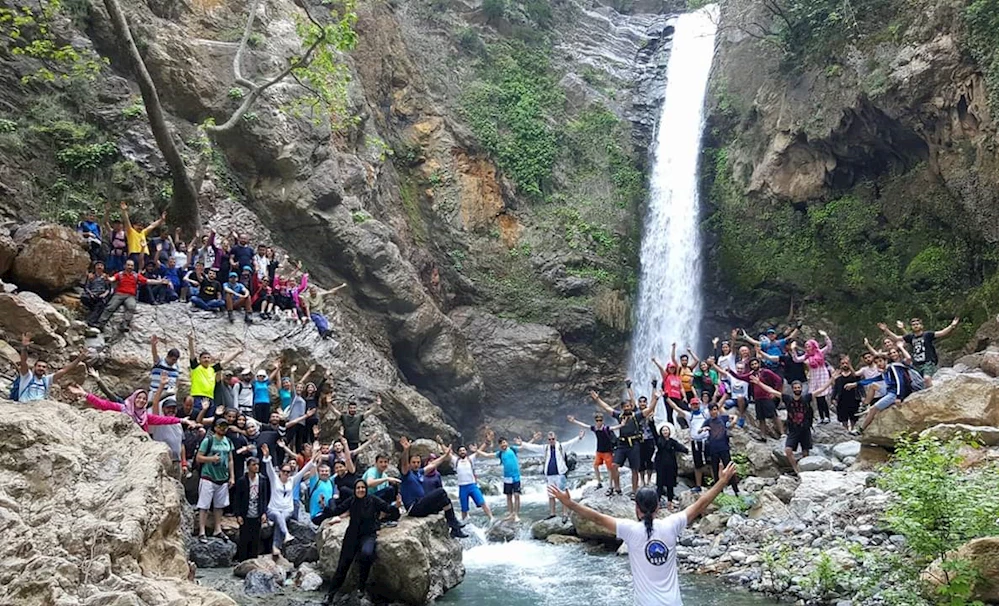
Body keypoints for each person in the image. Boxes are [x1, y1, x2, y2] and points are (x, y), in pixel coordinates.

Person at [549, 463, 740, 606]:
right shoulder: (671, 525)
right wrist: (722, 481)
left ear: (636, 508)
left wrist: (570, 504)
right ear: (658, 507)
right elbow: (700, 505)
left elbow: (598, 518)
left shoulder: (630, 530)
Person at [312, 479, 400, 601]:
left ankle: (361, 586)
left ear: (366, 489)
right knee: (343, 565)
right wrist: (324, 506)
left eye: (363, 487)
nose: (360, 490)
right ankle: (330, 594)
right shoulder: (351, 500)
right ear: (354, 490)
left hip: (368, 534)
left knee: (367, 553)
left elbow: (387, 508)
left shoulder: (373, 500)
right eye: (358, 488)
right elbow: (337, 510)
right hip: (352, 535)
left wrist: (396, 505)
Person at [591, 384, 653, 497]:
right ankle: (617, 487)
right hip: (622, 444)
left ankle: (635, 491)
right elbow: (607, 408)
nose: (627, 408)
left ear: (631, 406)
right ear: (622, 408)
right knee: (614, 465)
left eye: (629, 406)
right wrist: (597, 399)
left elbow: (650, 410)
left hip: (634, 444)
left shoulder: (637, 416)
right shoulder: (619, 416)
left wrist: (656, 398)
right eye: (625, 406)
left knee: (635, 469)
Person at [398, 440, 468, 538]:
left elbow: (433, 464)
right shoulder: (406, 474)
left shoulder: (419, 472)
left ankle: (455, 529)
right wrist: (406, 450)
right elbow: (404, 464)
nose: (416, 464)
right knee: (441, 492)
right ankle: (453, 523)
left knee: (445, 500)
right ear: (409, 464)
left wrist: (445, 456)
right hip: (414, 508)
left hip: (421, 506)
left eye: (418, 462)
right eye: (413, 462)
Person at [259, 443, 316, 556]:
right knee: (278, 516)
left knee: (281, 518)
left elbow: (304, 470)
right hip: (273, 509)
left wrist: (313, 458)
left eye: (288, 472)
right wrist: (267, 456)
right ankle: (285, 536)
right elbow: (269, 468)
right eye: (284, 471)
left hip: (287, 509)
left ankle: (275, 546)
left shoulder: (292, 480)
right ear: (280, 471)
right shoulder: (274, 479)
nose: (285, 473)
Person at [67, 382, 187, 434]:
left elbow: (163, 420)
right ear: (133, 398)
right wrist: (84, 394)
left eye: (144, 399)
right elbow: (103, 404)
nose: (141, 400)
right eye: (139, 398)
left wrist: (181, 420)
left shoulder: (145, 416)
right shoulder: (122, 409)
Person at [519, 429, 584, 520]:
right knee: (551, 495)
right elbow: (534, 447)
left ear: (555, 438)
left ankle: (565, 514)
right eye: (549, 439)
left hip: (560, 474)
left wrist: (579, 437)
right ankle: (552, 513)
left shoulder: (561, 446)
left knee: (563, 494)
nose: (551, 441)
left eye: (553, 439)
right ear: (547, 440)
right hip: (550, 475)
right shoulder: (545, 448)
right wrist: (523, 443)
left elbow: (571, 442)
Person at [850, 349, 916, 435]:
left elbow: (900, 382)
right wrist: (856, 384)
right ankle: (865, 405)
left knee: (873, 409)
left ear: (886, 360)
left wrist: (899, 397)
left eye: (880, 361)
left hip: (894, 393)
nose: (879, 364)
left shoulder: (893, 367)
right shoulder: (885, 371)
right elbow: (873, 380)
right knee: (873, 385)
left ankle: (860, 430)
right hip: (889, 391)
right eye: (877, 362)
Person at [879, 317, 959, 388]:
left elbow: (942, 333)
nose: (915, 326)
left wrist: (952, 326)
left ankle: (931, 395)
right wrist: (886, 330)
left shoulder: (927, 335)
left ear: (921, 326)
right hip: (916, 363)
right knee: (919, 382)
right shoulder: (911, 337)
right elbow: (896, 338)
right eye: (913, 324)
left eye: (917, 324)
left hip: (928, 361)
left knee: (927, 378)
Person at [93, 259, 169, 331]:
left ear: (133, 267)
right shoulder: (120, 274)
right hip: (119, 294)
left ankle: (124, 324)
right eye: (128, 265)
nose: (130, 267)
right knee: (111, 306)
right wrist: (108, 278)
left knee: (131, 307)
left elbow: (147, 281)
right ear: (124, 266)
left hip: (130, 295)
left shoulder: (136, 276)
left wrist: (160, 282)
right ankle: (100, 323)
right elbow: (112, 279)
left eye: (131, 265)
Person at [757, 378, 813, 475]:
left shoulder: (806, 397)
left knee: (805, 452)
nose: (797, 389)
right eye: (795, 388)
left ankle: (805, 470)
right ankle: (796, 469)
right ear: (792, 389)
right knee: (788, 450)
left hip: (805, 428)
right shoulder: (787, 398)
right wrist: (759, 383)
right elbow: (771, 391)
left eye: (799, 387)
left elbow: (821, 390)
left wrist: (832, 379)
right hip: (793, 429)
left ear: (801, 388)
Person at [14, 333, 86, 402]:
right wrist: (24, 347)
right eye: (39, 366)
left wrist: (79, 359)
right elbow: (23, 362)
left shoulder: (47, 380)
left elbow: (65, 370)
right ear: (34, 367)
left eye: (43, 367)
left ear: (46, 369)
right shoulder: (27, 376)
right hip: (24, 406)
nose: (41, 368)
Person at [474, 436, 531, 521]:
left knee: (516, 495)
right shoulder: (500, 453)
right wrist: (477, 450)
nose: (503, 444)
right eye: (501, 443)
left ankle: (516, 514)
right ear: (500, 445)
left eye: (504, 442)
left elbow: (523, 447)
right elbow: (488, 455)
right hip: (507, 477)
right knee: (508, 496)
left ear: (507, 443)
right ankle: (511, 513)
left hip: (515, 476)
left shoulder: (513, 449)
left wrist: (533, 439)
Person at [196, 417, 236, 540]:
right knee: (204, 505)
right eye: (220, 426)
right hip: (208, 476)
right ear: (215, 428)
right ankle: (202, 531)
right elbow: (199, 457)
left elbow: (230, 459)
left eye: (225, 426)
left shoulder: (228, 441)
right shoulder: (208, 441)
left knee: (219, 505)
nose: (222, 429)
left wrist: (232, 476)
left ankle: (217, 529)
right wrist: (211, 459)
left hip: (223, 477)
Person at [188, 333, 241, 414]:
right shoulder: (196, 367)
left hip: (210, 397)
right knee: (197, 416)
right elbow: (192, 353)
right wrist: (190, 340)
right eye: (204, 358)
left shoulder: (212, 369)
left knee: (210, 417)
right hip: (197, 396)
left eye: (208, 358)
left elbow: (226, 361)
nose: (206, 359)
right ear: (200, 359)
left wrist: (238, 352)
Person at [665, 396, 709, 492]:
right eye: (693, 404)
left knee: (712, 462)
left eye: (697, 404)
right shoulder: (689, 416)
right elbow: (676, 409)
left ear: (699, 405)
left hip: (706, 441)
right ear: (690, 406)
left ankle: (716, 483)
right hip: (695, 442)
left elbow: (717, 405)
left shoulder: (705, 413)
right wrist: (667, 398)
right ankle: (698, 486)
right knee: (698, 465)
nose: (695, 406)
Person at [232, 456, 270, 562]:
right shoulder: (242, 481)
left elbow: (264, 498)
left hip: (257, 513)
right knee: (244, 538)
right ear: (248, 466)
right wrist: (238, 514)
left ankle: (254, 560)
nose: (256, 467)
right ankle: (242, 560)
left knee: (255, 539)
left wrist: (264, 512)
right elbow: (237, 499)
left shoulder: (262, 480)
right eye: (253, 465)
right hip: (245, 513)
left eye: (257, 464)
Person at [791, 331, 833, 424]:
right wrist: (793, 349)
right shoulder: (806, 357)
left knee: (822, 397)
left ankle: (827, 416)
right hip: (814, 377)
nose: (807, 348)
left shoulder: (820, 353)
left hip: (822, 375)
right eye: (806, 346)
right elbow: (796, 359)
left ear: (813, 346)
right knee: (816, 397)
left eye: (809, 346)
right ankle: (821, 417)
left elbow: (829, 346)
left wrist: (825, 336)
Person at [698, 403, 741, 495]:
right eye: (711, 410)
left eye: (715, 409)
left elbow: (734, 416)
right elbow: (699, 431)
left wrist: (733, 422)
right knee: (715, 470)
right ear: (709, 412)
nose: (713, 412)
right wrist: (704, 429)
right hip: (713, 448)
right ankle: (719, 492)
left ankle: (736, 490)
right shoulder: (708, 421)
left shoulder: (722, 418)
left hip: (724, 447)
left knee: (729, 467)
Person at [567, 412, 616, 490]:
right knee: (595, 466)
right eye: (597, 420)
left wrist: (623, 424)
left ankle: (610, 486)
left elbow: (616, 427)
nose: (599, 422)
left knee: (609, 468)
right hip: (599, 451)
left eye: (600, 420)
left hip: (607, 451)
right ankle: (599, 482)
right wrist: (574, 421)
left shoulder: (606, 428)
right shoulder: (595, 428)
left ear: (602, 421)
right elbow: (585, 426)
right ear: (595, 421)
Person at [449, 444, 493, 522]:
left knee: (482, 502)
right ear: (458, 453)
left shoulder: (470, 459)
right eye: (460, 451)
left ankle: (491, 518)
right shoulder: (456, 460)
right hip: (462, 487)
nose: (462, 452)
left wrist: (486, 443)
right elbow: (448, 454)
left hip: (472, 485)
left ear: (466, 451)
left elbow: (479, 452)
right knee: (464, 508)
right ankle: (464, 523)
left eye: (463, 450)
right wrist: (441, 444)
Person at [120, 201, 166, 270]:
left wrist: (161, 219)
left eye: (141, 225)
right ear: (134, 226)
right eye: (138, 225)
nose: (140, 227)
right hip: (135, 253)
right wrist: (124, 211)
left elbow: (152, 226)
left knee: (145, 271)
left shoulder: (143, 232)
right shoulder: (131, 231)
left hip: (145, 254)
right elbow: (127, 221)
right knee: (135, 270)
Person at [654, 424, 688, 509]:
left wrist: (686, 450)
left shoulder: (673, 442)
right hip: (661, 465)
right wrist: (651, 422)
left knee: (670, 485)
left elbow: (681, 447)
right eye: (663, 430)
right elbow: (654, 433)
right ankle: (657, 504)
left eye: (666, 430)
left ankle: (670, 503)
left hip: (671, 465)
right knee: (660, 485)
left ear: (669, 431)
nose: (665, 432)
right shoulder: (659, 441)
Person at [830, 355, 861, 430]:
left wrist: (850, 366)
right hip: (841, 400)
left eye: (846, 363)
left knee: (854, 417)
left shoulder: (854, 376)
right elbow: (835, 389)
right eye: (843, 363)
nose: (845, 365)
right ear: (840, 365)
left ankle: (853, 429)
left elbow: (858, 379)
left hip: (854, 399)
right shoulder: (838, 378)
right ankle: (846, 430)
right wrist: (833, 398)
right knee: (843, 418)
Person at [82, 261, 112, 326]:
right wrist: (91, 293)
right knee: (84, 297)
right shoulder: (91, 276)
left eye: (101, 266)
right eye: (98, 265)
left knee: (100, 304)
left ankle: (90, 321)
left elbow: (108, 289)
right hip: (92, 294)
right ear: (95, 267)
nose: (99, 267)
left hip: (101, 295)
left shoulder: (105, 277)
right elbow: (86, 287)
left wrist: (104, 294)